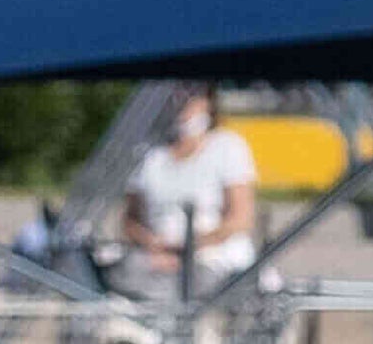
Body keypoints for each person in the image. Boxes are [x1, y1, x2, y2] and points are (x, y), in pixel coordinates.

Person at [108, 82, 261, 289]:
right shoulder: (148, 152)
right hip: (157, 258)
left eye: (192, 93)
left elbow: (240, 218)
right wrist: (152, 244)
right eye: (175, 92)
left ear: (209, 100)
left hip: (213, 259)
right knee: (125, 272)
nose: (181, 99)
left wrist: (189, 247)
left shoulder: (227, 146)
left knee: (191, 284)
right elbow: (131, 219)